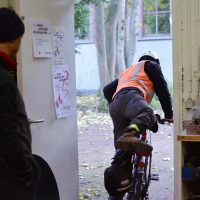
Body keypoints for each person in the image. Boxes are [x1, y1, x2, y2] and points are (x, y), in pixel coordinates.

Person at [103, 50, 173, 200]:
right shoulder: (151, 65)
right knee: (147, 113)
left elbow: (107, 89)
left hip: (116, 105)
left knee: (122, 153)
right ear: (156, 61)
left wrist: (117, 106)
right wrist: (169, 115)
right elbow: (163, 91)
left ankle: (116, 192)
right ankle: (131, 133)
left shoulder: (129, 71)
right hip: (131, 97)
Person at [0, 7, 40, 200]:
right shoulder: (3, 81)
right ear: (14, 39)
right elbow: (6, 134)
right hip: (10, 178)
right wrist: (26, 175)